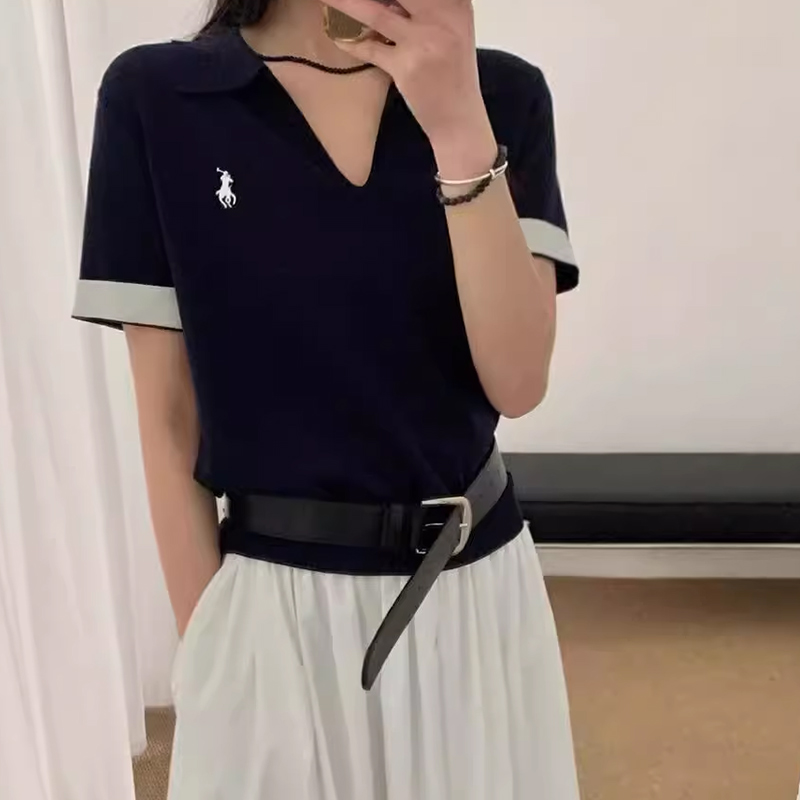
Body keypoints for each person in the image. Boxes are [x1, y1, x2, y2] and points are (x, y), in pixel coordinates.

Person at [73, 0, 582, 797]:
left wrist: (457, 127)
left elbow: (518, 382)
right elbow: (170, 424)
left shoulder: (503, 97)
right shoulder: (159, 97)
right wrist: (212, 652)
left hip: (473, 591)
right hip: (273, 609)